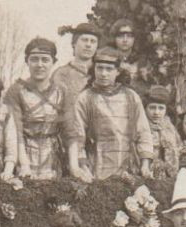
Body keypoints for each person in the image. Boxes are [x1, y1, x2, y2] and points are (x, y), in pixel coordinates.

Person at [64, 47, 154, 183]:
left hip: (129, 168)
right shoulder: (85, 98)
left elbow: (144, 132)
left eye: (109, 69)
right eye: (99, 68)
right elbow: (77, 135)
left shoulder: (131, 96)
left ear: (117, 71)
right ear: (94, 69)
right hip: (97, 168)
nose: (103, 73)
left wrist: (145, 165)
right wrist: (83, 166)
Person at [8, 37, 71, 180]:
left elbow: (70, 131)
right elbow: (15, 131)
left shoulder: (62, 91)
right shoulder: (16, 91)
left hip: (54, 157)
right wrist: (24, 165)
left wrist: (74, 166)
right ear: (27, 61)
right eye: (34, 59)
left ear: (53, 62)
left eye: (45, 59)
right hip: (24, 153)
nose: (39, 64)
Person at [52, 21, 101, 99]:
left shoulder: (103, 72)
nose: (88, 45)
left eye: (93, 41)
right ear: (74, 43)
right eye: (84, 40)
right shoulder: (61, 74)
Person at [143, 86, 183, 179]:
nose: (156, 112)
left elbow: (180, 148)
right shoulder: (140, 127)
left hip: (170, 175)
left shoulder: (170, 128)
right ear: (145, 108)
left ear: (166, 110)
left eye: (161, 108)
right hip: (146, 175)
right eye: (152, 108)